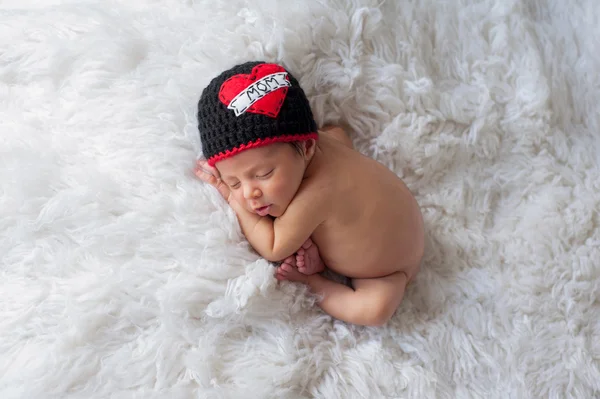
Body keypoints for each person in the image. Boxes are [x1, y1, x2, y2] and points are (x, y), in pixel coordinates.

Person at [194, 61, 424, 326]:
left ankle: (312, 279)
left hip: (388, 271)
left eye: (264, 174)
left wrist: (229, 195)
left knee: (374, 310)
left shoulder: (318, 192)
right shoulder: (322, 143)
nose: (250, 193)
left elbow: (273, 246)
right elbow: (338, 132)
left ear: (306, 147)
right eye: (233, 182)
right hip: (395, 218)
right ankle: (319, 252)